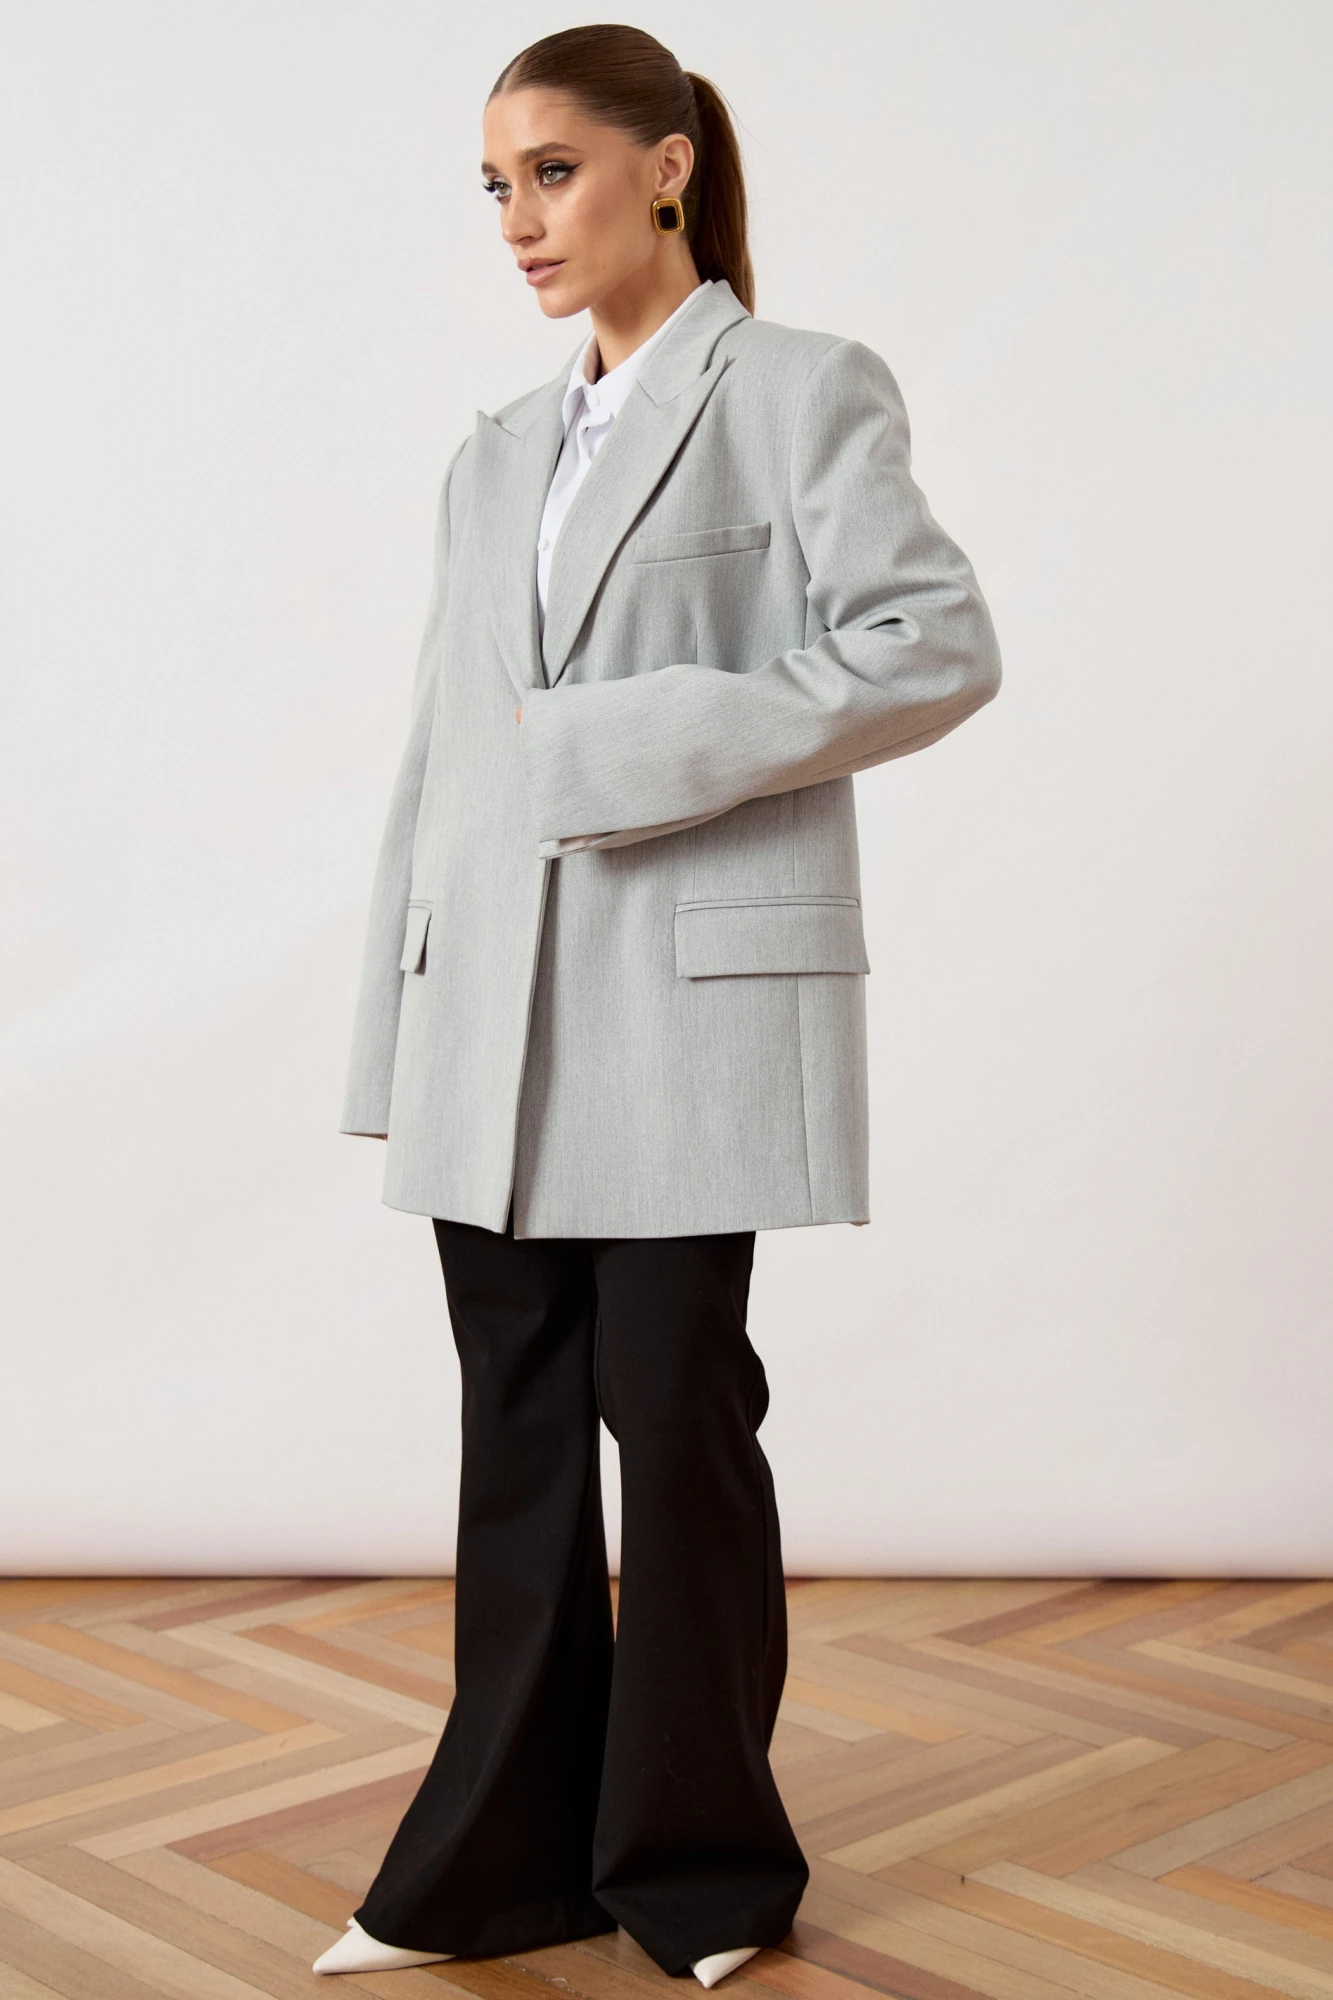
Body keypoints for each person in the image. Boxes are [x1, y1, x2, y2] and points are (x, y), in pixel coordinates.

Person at [317, 21, 1001, 1985]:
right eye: (495, 186)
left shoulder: (797, 390)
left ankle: (698, 1870)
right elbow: (444, 757)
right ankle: (493, 1869)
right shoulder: (492, 456)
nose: (519, 220)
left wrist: (626, 745)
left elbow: (931, 644)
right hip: (488, 1014)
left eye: (553, 171)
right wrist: (394, 1019)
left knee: (674, 1417)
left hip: (680, 1010)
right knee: (518, 1434)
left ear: (668, 164)